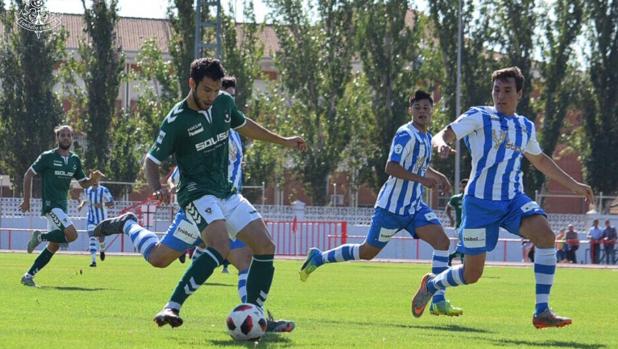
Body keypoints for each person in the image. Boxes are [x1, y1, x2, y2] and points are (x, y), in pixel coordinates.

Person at [96, 59, 306, 329]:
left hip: (225, 195)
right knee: (220, 246)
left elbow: (246, 125)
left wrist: (284, 140)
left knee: (262, 247)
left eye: (216, 90)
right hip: (196, 196)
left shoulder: (223, 104)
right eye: (207, 90)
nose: (212, 97)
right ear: (192, 84)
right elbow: (151, 160)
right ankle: (171, 306)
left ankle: (257, 317)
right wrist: (157, 187)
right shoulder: (176, 120)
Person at [414, 66, 595, 329]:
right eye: (496, 90)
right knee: (471, 274)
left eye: (507, 90)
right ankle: (432, 284)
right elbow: (445, 133)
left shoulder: (524, 126)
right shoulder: (479, 116)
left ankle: (541, 311)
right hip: (479, 204)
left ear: (520, 94)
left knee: (545, 235)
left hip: (512, 200)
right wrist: (441, 143)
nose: (500, 96)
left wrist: (574, 185)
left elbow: (540, 160)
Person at [299, 90, 463, 317]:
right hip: (391, 209)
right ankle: (319, 257)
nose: (422, 112)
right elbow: (391, 167)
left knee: (443, 242)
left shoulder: (426, 136)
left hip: (414, 207)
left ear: (432, 111)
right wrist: (424, 180)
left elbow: (419, 165)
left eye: (426, 108)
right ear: (410, 111)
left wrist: (438, 176)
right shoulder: (405, 134)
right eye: (418, 108)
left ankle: (438, 299)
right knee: (367, 252)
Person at [19, 125, 105, 287]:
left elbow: (83, 183)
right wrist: (26, 200)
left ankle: (28, 276)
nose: (66, 138)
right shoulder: (47, 157)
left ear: (72, 138)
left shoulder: (74, 160)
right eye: (62, 135)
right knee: (72, 235)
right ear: (57, 138)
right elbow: (28, 174)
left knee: (54, 245)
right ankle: (40, 237)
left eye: (69, 135)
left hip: (62, 206)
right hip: (51, 206)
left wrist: (93, 180)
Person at [78, 177, 113, 267]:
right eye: (92, 178)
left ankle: (102, 250)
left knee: (101, 239)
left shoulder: (104, 190)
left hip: (102, 219)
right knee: (92, 237)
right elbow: (85, 200)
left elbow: (111, 202)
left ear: (98, 180)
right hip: (91, 218)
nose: (93, 180)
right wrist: (81, 205)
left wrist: (102, 204)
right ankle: (93, 261)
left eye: (95, 178)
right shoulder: (87, 190)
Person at [445, 179, 468, 265]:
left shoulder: (472, 198)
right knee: (464, 245)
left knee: (466, 245)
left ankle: (451, 257)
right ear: (461, 187)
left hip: (470, 226)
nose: (465, 187)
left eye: (466, 185)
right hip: (459, 226)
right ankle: (463, 264)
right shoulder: (456, 198)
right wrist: (451, 219)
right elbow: (448, 208)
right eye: (463, 186)